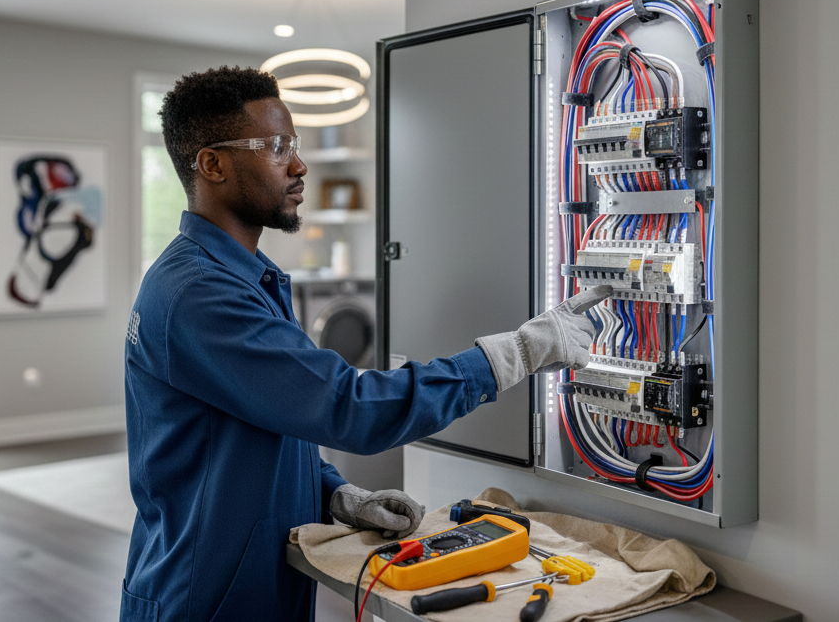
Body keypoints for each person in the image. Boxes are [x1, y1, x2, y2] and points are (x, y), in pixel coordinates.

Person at [120, 65, 610, 622]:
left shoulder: (238, 275)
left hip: (242, 579)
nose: (299, 166)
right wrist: (515, 354)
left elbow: (275, 420)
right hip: (204, 596)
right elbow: (345, 406)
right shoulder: (199, 293)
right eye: (277, 147)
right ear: (212, 164)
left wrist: (335, 495)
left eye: (295, 145)